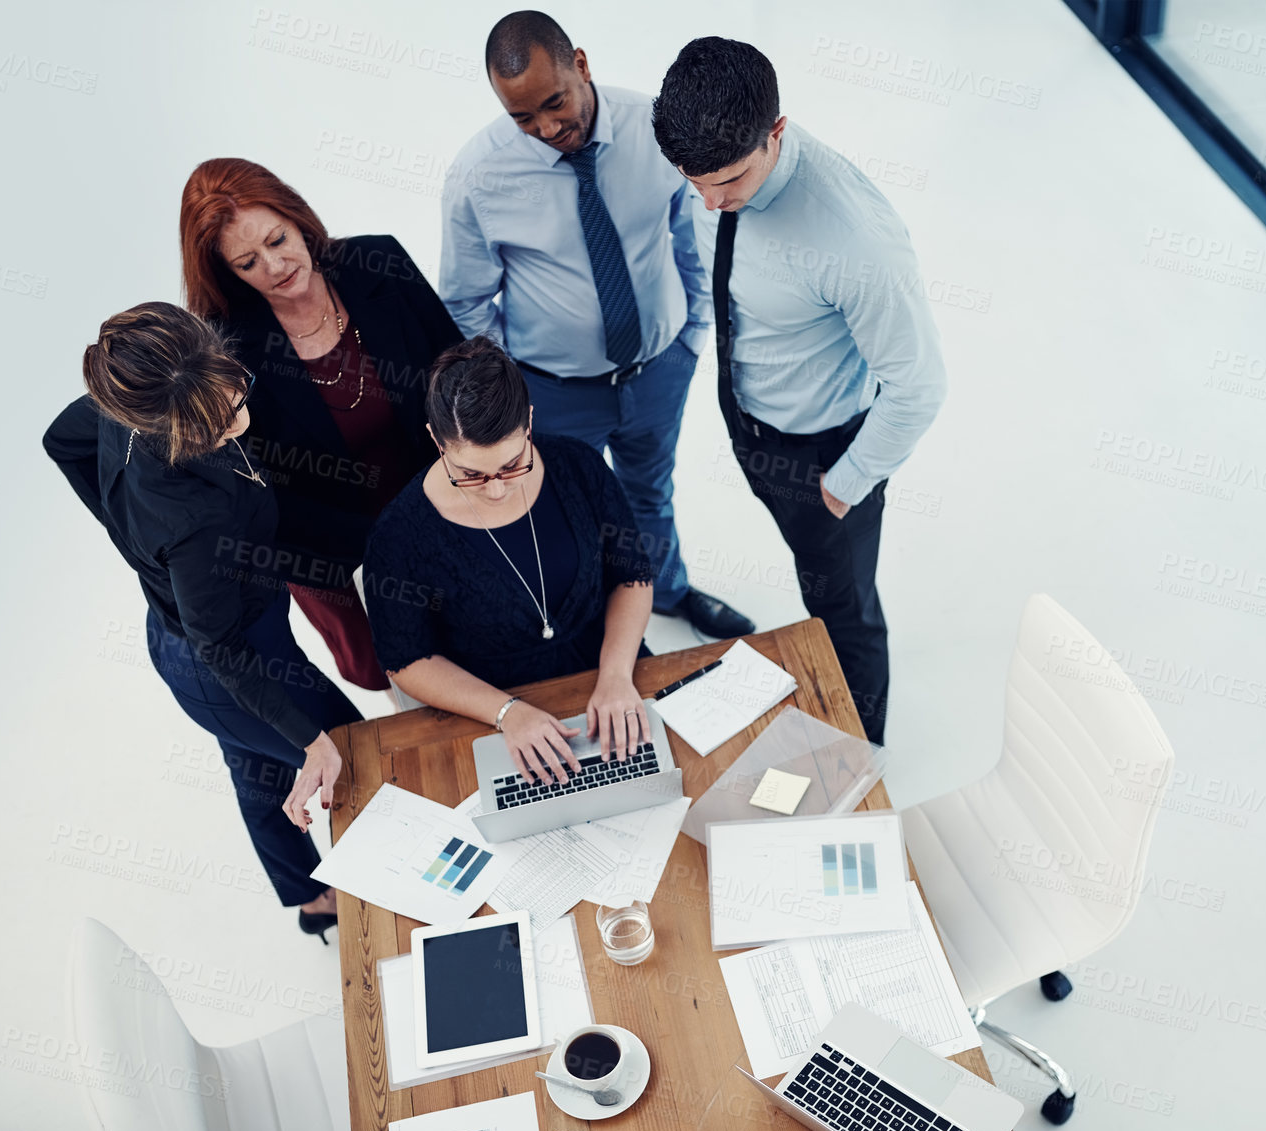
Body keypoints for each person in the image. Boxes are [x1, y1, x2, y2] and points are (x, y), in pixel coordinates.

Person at [653, 37, 949, 746]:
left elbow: (919, 385)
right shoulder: (707, 156)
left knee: (840, 610)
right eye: (695, 183)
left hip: (827, 455)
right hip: (752, 419)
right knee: (816, 585)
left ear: (776, 134)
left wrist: (840, 489)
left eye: (729, 181)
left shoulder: (855, 242)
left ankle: (859, 753)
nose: (710, 201)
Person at [42, 302, 356, 940]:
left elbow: (60, 438)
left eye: (231, 387)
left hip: (210, 628)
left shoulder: (132, 399)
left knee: (255, 769)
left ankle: (310, 896)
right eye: (215, 418)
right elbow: (222, 649)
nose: (240, 409)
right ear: (164, 423)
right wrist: (312, 738)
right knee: (356, 752)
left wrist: (129, 535)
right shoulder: (189, 522)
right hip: (222, 661)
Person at [439, 10, 753, 640]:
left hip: (658, 371)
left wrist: (692, 336)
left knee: (650, 495)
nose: (547, 128)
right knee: (567, 513)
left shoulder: (656, 131)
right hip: (553, 392)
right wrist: (515, 389)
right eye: (522, 118)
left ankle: (669, 593)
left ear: (580, 64)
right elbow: (465, 302)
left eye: (555, 103)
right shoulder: (478, 178)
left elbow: (692, 234)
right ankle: (588, 631)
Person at [180, 158, 465, 693]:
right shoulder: (224, 348)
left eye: (278, 238)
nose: (274, 265)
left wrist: (462, 497)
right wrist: (387, 547)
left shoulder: (377, 259)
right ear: (227, 273)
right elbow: (263, 498)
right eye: (247, 262)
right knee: (408, 685)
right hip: (340, 562)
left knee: (481, 643)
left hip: (448, 511)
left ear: (295, 215)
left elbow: (457, 368)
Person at [362, 336, 657, 782]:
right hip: (491, 710)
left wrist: (615, 675)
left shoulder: (579, 466)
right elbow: (408, 661)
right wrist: (507, 713)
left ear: (529, 421)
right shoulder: (399, 536)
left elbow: (631, 576)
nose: (497, 489)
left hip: (613, 673)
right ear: (435, 440)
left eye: (512, 464)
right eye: (470, 474)